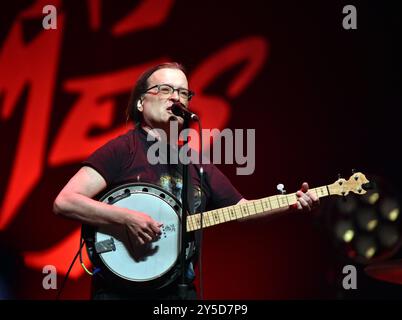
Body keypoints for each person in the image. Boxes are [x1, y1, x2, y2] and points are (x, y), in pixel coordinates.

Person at [53, 62, 319, 300]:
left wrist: (291, 203)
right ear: (141, 103)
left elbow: (242, 209)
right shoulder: (123, 149)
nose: (176, 98)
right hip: (118, 293)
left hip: (177, 291)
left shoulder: (195, 162)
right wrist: (126, 218)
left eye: (183, 93)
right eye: (166, 89)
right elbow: (65, 202)